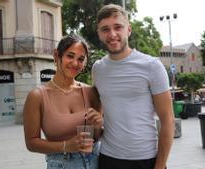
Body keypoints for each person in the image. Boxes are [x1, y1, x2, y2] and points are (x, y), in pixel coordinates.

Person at [92, 4, 174, 169]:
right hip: (108, 158)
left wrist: (160, 165)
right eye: (105, 29)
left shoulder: (152, 66)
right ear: (99, 34)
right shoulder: (98, 69)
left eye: (118, 27)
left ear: (128, 30)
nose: (112, 34)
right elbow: (98, 115)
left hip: (146, 159)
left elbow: (167, 120)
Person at [23, 34, 103, 169]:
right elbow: (31, 143)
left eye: (81, 59)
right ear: (56, 55)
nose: (75, 63)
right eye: (70, 56)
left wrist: (98, 126)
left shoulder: (91, 92)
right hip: (61, 164)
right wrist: (66, 146)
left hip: (95, 162)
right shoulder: (37, 96)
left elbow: (97, 136)